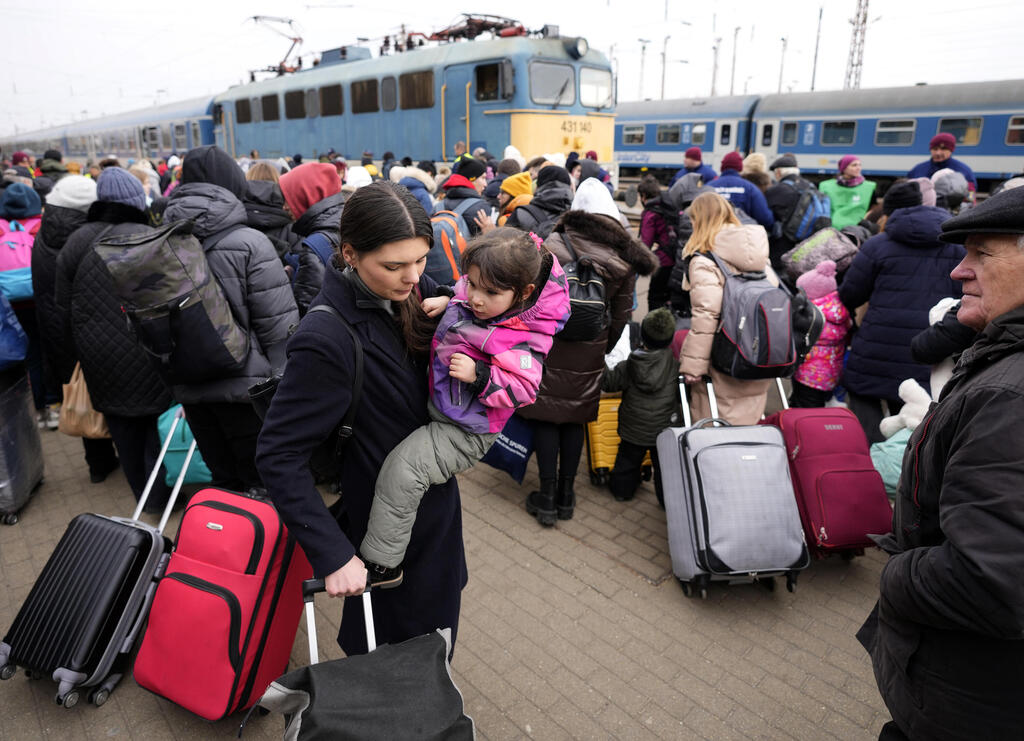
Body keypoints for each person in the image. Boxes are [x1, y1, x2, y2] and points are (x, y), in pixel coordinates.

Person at [256, 180, 469, 655]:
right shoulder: (325, 336)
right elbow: (278, 454)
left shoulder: (415, 292)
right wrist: (332, 555)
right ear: (350, 253)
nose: (413, 276)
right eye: (394, 265)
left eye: (420, 259)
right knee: (391, 657)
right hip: (382, 528)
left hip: (435, 514)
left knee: (433, 643)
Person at [856, 184, 1024, 740]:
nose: (959, 271)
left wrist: (898, 575)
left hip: (972, 697)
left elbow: (988, 578)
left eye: (982, 253)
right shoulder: (1003, 364)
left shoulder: (1009, 397)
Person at [360, 227, 570, 586]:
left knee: (403, 471)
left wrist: (480, 375)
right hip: (444, 408)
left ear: (524, 293)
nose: (476, 297)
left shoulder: (525, 339)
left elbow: (524, 389)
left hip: (465, 431)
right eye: (471, 284)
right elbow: (467, 294)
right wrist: (449, 300)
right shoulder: (481, 299)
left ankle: (382, 564)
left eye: (489, 292)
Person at [518, 178, 658, 525]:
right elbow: (624, 313)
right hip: (592, 346)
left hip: (550, 343)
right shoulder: (624, 254)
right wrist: (602, 348)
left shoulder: (551, 244)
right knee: (576, 419)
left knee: (548, 417)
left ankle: (547, 498)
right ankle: (568, 496)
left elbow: (531, 298)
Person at [163, 145, 298, 491]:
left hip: (191, 390)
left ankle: (226, 542)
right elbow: (279, 326)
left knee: (225, 483)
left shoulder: (160, 244)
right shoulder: (251, 243)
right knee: (268, 485)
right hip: (248, 394)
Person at [54, 168, 174, 501]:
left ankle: (143, 493)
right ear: (137, 200)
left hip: (98, 351)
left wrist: (78, 346)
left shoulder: (77, 241)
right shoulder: (150, 235)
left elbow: (61, 306)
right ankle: (162, 493)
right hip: (149, 344)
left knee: (122, 421)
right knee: (156, 418)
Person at [838, 180, 965, 443]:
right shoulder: (959, 247)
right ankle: (901, 477)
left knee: (865, 425)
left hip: (874, 351)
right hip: (930, 352)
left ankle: (863, 472)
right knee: (913, 427)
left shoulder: (877, 245)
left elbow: (850, 294)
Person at [678, 192, 776, 425]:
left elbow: (707, 315)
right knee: (748, 431)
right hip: (760, 356)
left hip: (725, 360)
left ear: (700, 221)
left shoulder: (705, 261)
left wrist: (693, 366)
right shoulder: (759, 256)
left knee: (715, 435)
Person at [31, 175, 97, 434]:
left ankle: (96, 462)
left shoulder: (43, 234)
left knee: (80, 391)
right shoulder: (86, 238)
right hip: (91, 328)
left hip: (56, 328)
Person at [602, 307, 678, 505]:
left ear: (643, 335)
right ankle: (666, 500)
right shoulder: (675, 365)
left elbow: (609, 384)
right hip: (663, 428)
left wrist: (598, 358)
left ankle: (622, 491)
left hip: (633, 427)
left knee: (627, 461)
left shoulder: (630, 364)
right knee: (664, 467)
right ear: (669, 339)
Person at [279, 162, 345, 316]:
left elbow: (306, 312)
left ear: (306, 196)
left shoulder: (315, 247)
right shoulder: (345, 223)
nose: (284, 207)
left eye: (288, 198)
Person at [789, 260, 851, 408]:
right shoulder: (840, 310)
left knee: (805, 410)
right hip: (831, 375)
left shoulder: (812, 316)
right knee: (819, 410)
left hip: (808, 375)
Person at [763, 154, 820, 273]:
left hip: (783, 242)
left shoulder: (776, 190)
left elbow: (765, 216)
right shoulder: (810, 186)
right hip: (806, 239)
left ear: (778, 172)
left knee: (778, 271)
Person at [637, 175, 677, 311]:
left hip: (663, 263)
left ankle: (655, 330)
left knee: (655, 299)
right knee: (671, 300)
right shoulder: (668, 207)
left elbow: (645, 244)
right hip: (677, 260)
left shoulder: (650, 213)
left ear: (643, 195)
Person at [505, 165, 573, 240]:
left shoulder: (521, 214)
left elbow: (503, 246)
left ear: (538, 186)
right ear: (569, 187)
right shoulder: (578, 218)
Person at [708, 151, 774, 229]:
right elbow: (765, 219)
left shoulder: (709, 187)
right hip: (742, 237)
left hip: (712, 236)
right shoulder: (751, 188)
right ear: (740, 168)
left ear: (722, 167)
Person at [818, 155, 876, 230]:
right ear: (844, 168)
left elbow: (872, 208)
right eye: (854, 165)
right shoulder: (826, 186)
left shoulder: (869, 187)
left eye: (859, 165)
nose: (858, 168)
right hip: (831, 228)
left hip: (857, 230)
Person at [907, 132, 977, 193]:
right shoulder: (918, 169)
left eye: (943, 149)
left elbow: (970, 197)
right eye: (935, 149)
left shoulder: (963, 171)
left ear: (951, 150)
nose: (938, 153)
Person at [434, 167, 489, 236]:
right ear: (471, 180)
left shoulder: (437, 206)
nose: (485, 184)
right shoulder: (481, 207)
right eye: (482, 178)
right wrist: (491, 232)